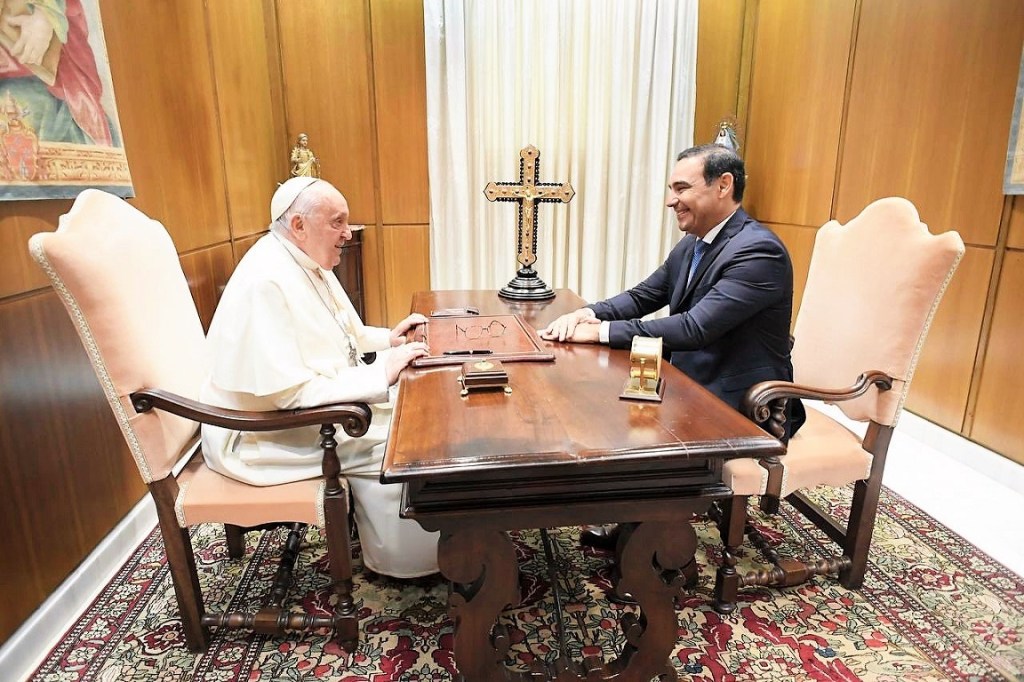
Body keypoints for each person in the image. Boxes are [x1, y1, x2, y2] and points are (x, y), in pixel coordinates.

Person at [540, 144, 803, 546]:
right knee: (596, 394)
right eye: (670, 189)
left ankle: (653, 542)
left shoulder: (758, 251)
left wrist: (602, 333)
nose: (670, 200)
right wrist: (587, 314)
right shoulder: (694, 243)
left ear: (723, 185)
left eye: (681, 188)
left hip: (742, 401)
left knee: (622, 415)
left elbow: (695, 328)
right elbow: (643, 296)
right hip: (692, 378)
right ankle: (625, 509)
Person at [200, 176, 438, 578]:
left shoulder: (304, 260)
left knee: (418, 411)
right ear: (298, 225)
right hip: (264, 436)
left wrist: (390, 338)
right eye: (337, 222)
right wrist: (381, 373)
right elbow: (289, 395)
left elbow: (343, 332)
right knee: (408, 442)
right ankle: (412, 560)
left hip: (305, 413)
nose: (348, 233)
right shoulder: (266, 281)